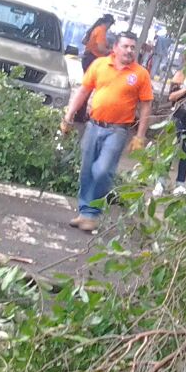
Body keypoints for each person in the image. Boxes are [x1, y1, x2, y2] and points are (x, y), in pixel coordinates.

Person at [60, 30, 153, 234]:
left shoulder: (140, 74)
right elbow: (83, 91)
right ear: (115, 48)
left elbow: (146, 106)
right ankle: (84, 213)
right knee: (86, 170)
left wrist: (140, 135)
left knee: (102, 170)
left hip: (118, 130)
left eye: (132, 47)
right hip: (93, 126)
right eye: (126, 46)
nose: (130, 50)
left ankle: (92, 213)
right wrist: (68, 116)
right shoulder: (100, 64)